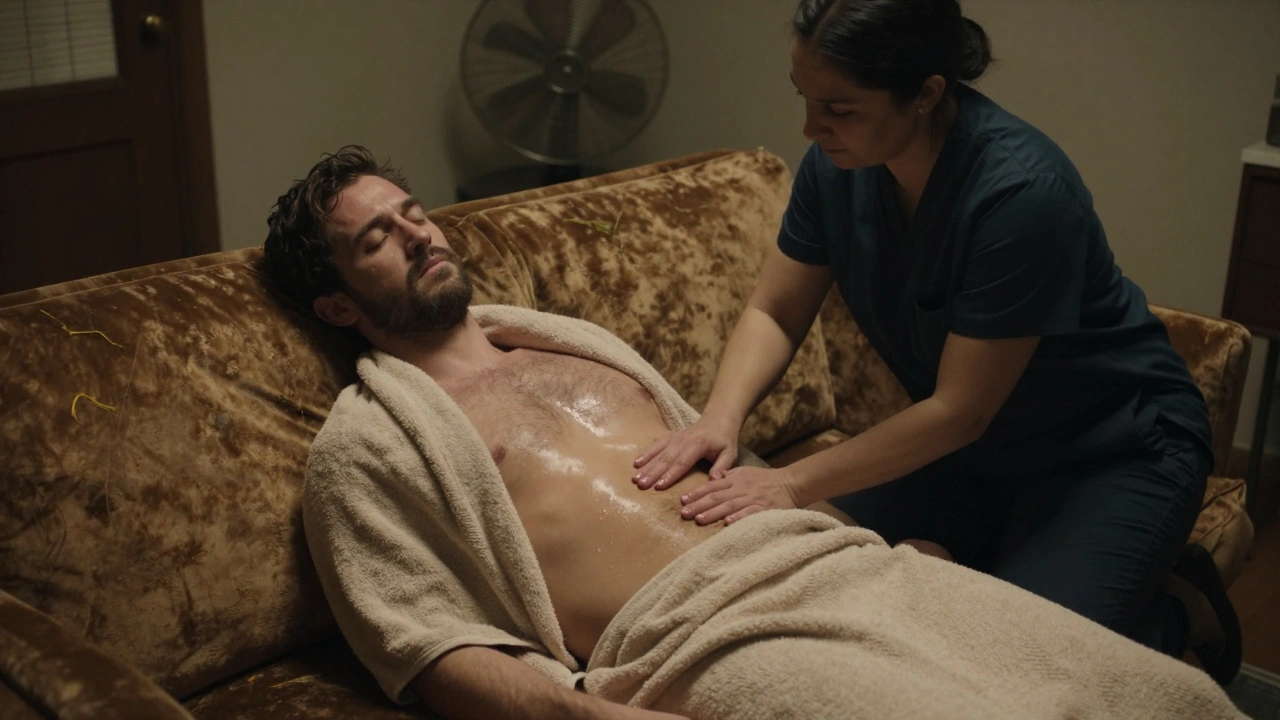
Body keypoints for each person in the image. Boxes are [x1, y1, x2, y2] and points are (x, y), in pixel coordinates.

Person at [632, 0, 1241, 686]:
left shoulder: (1021, 194)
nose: (811, 127)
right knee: (797, 566)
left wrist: (791, 481)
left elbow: (959, 410)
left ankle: (1176, 614)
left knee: (1016, 667)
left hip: (1114, 451)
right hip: (973, 452)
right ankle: (978, 562)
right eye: (803, 97)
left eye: (840, 107)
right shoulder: (835, 169)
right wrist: (719, 419)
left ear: (926, 93)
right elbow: (775, 311)